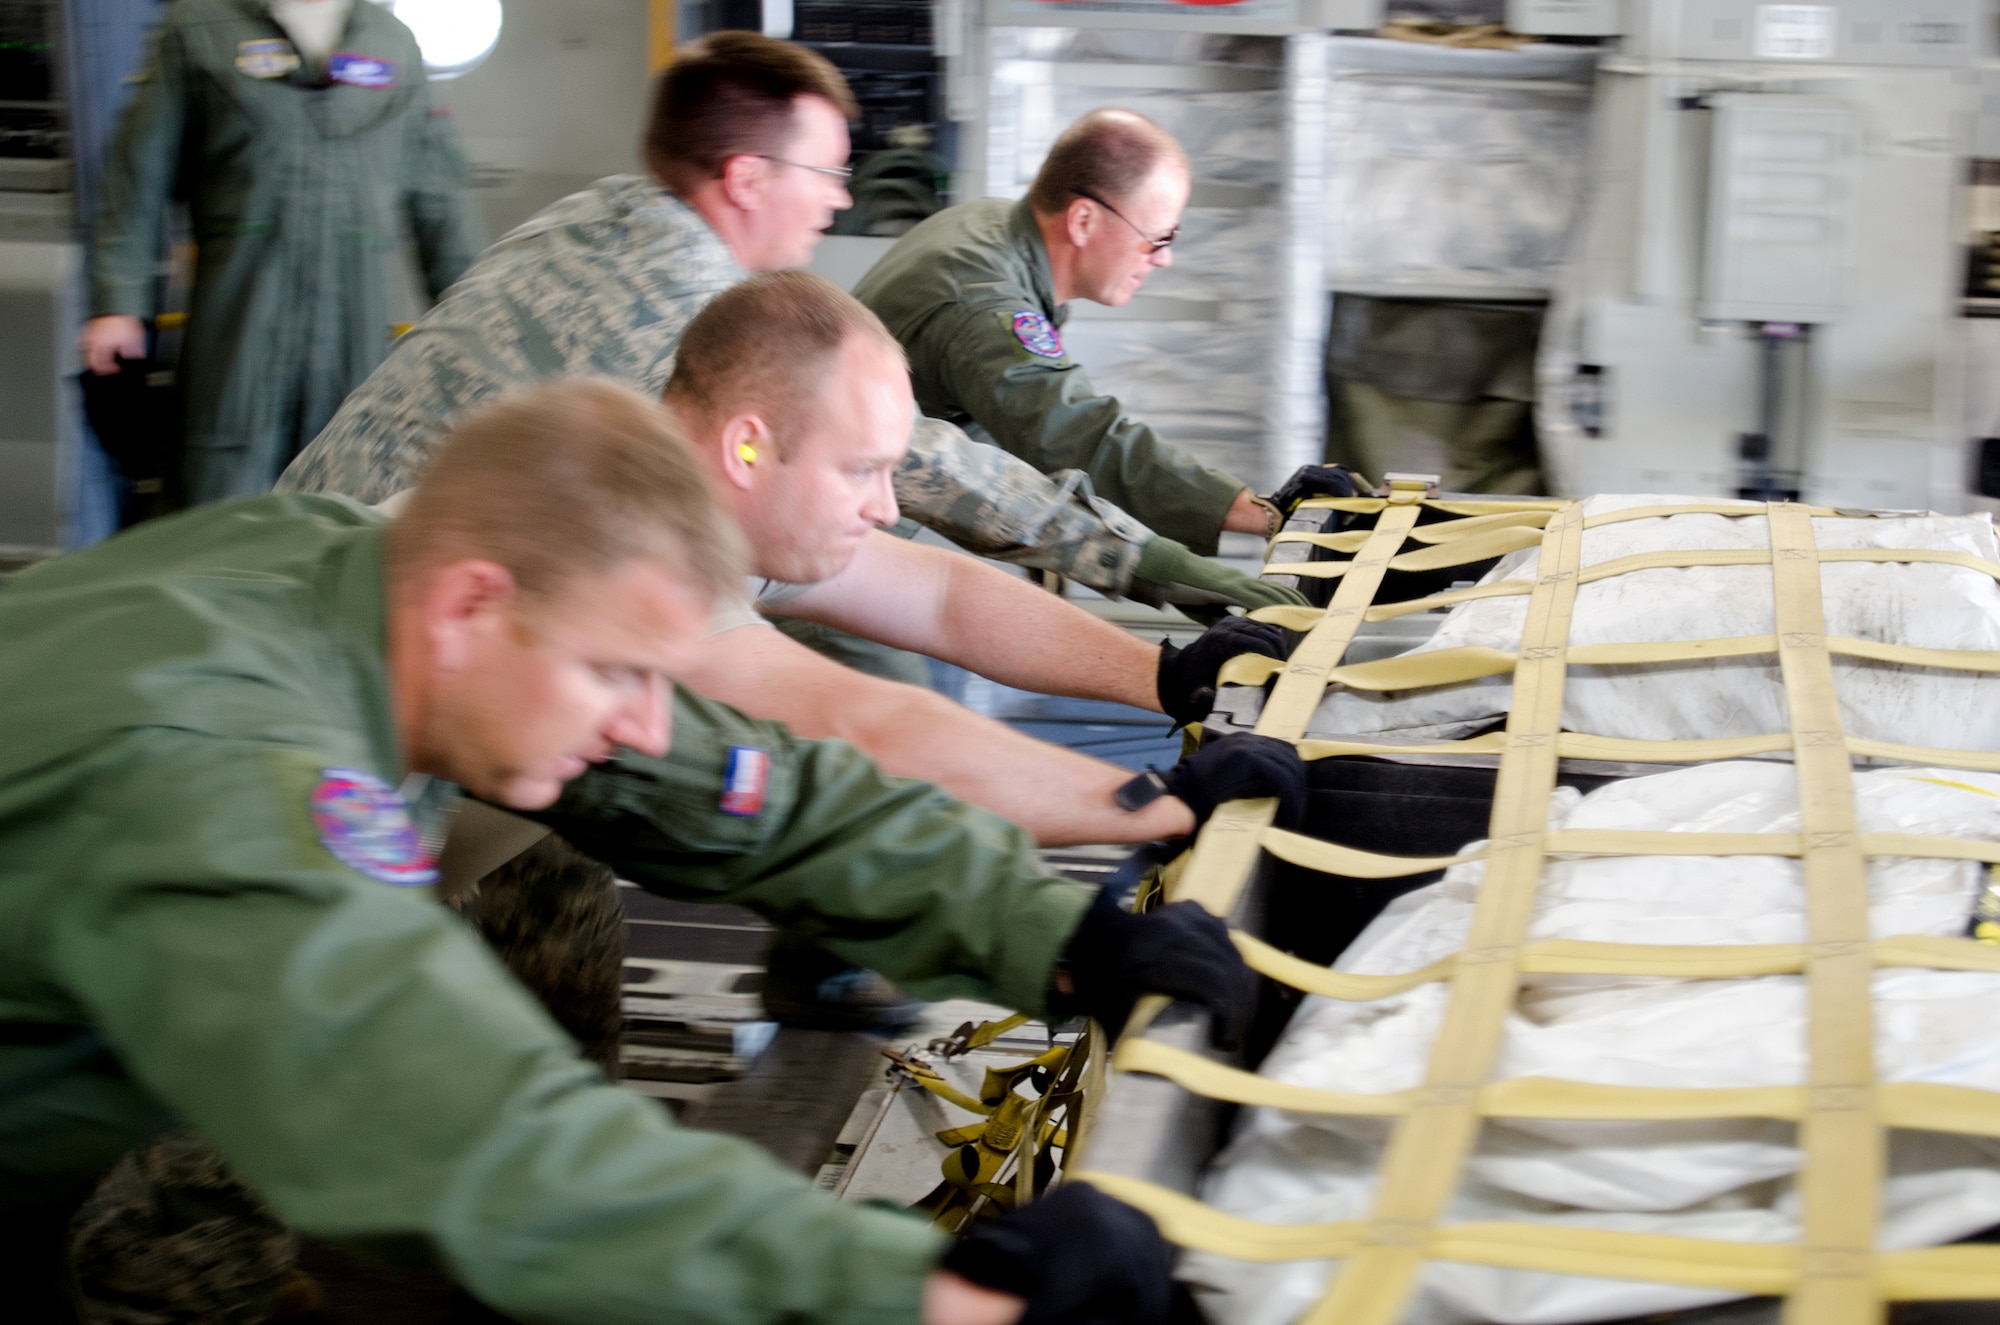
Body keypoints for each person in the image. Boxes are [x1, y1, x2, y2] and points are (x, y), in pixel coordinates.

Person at [1, 380, 1280, 1325]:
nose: (641, 723)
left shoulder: (374, 582)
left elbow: (735, 787)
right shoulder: (222, 771)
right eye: (618, 673)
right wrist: (925, 1290)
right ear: (470, 609)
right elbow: (461, 1130)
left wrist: (1053, 931)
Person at [275, 31, 1294, 619]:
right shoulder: (683, 291)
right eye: (824, 174)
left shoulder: (604, 214)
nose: (840, 203)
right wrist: (1162, 568)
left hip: (376, 573)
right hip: (360, 622)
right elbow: (929, 460)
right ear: (746, 175)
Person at [81, 0, 483, 504]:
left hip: (352, 341)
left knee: (340, 504)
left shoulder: (392, 44)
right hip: (236, 333)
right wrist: (119, 303)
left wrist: (478, 334)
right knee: (218, 501)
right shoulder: (199, 28)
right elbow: (136, 173)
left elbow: (442, 206)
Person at [852, 109, 1286, 556]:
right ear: (1082, 221)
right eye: (1156, 238)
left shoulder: (991, 224)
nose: (1163, 259)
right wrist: (1263, 514)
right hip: (847, 543)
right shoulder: (986, 307)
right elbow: (1080, 434)